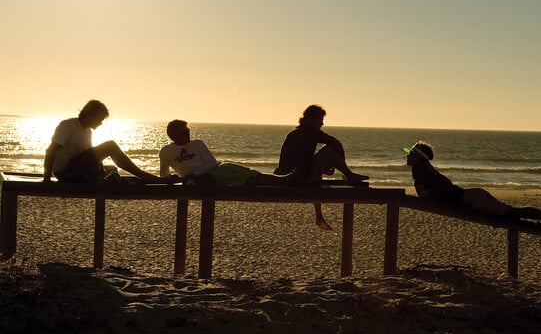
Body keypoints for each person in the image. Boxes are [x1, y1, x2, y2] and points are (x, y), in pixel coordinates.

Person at [404, 140, 541, 231]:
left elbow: (429, 197)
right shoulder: (422, 170)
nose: (407, 156)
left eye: (410, 153)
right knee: (514, 215)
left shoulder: (421, 170)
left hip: (473, 200)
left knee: (514, 214)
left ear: (419, 157)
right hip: (471, 199)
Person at [275, 104, 369, 230]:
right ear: (311, 119)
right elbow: (335, 143)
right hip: (295, 178)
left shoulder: (298, 132)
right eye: (320, 119)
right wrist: (329, 167)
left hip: (292, 175)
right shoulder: (310, 132)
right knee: (329, 151)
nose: (322, 123)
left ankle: (319, 216)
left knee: (319, 163)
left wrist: (325, 167)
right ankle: (349, 175)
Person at [44, 99, 177, 184]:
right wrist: (46, 178)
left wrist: (100, 168)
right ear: (89, 115)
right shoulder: (69, 125)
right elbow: (51, 150)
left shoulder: (87, 131)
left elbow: (89, 157)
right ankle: (146, 177)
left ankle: (133, 178)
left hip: (78, 170)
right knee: (110, 146)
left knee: (111, 169)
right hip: (66, 172)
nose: (101, 123)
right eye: (100, 119)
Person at [159, 119, 295, 186]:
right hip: (201, 179)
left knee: (252, 175)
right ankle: (285, 181)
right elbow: (163, 173)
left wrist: (194, 174)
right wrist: (173, 178)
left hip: (217, 169)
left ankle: (285, 180)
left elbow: (211, 162)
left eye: (188, 131)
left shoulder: (197, 144)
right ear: (173, 135)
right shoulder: (166, 152)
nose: (188, 134)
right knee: (250, 180)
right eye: (184, 132)